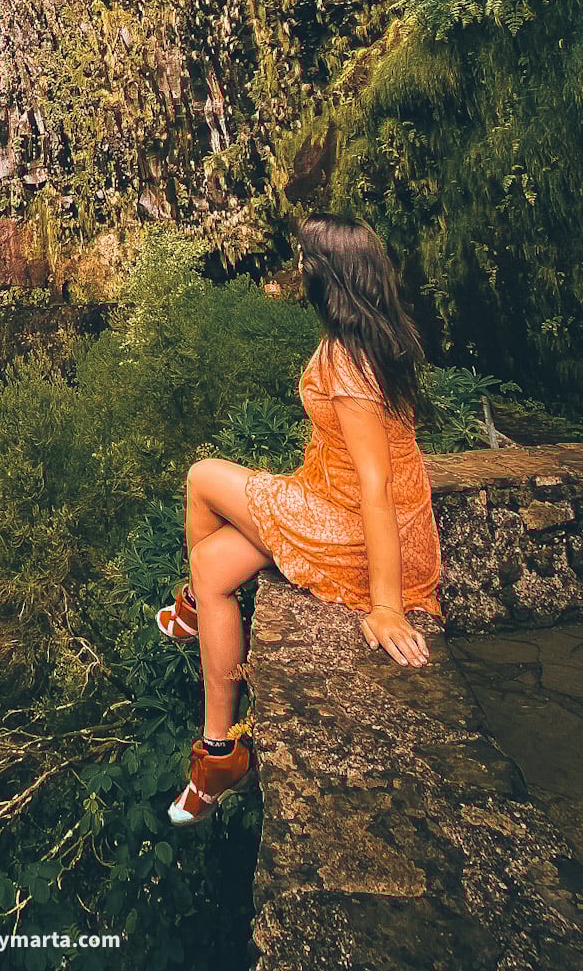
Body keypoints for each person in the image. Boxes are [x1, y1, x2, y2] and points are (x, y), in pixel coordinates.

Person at [159, 212, 442, 826]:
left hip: (354, 524)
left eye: (306, 260)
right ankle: (219, 754)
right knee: (213, 565)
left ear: (328, 276)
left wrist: (387, 603)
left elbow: (376, 482)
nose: (299, 268)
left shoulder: (347, 358)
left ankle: (187, 612)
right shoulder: (382, 334)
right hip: (351, 503)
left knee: (202, 477)